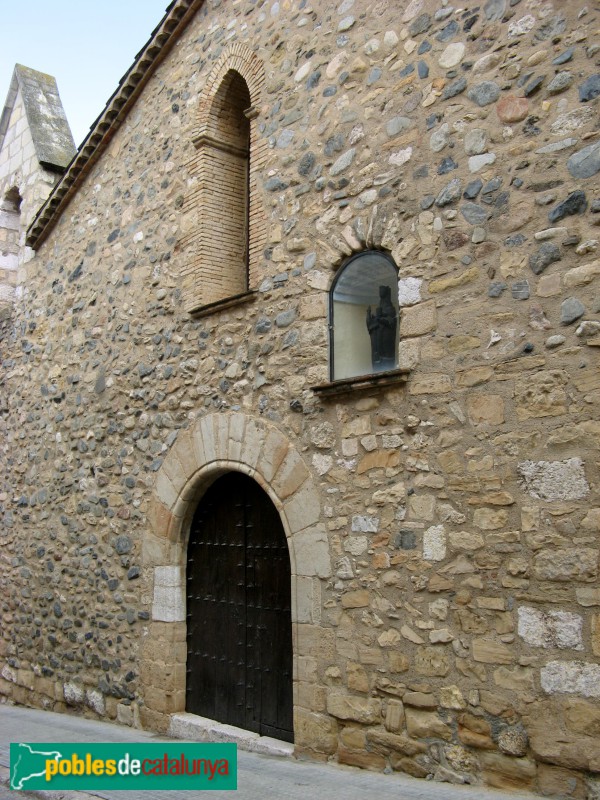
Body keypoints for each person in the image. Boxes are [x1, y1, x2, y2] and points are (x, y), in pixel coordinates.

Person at [366, 285, 397, 371]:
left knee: (386, 358)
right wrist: (369, 315)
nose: (380, 292)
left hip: (386, 340)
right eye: (380, 291)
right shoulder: (380, 307)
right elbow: (371, 325)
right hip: (378, 342)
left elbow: (391, 322)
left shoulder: (390, 308)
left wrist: (380, 318)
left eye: (382, 290)